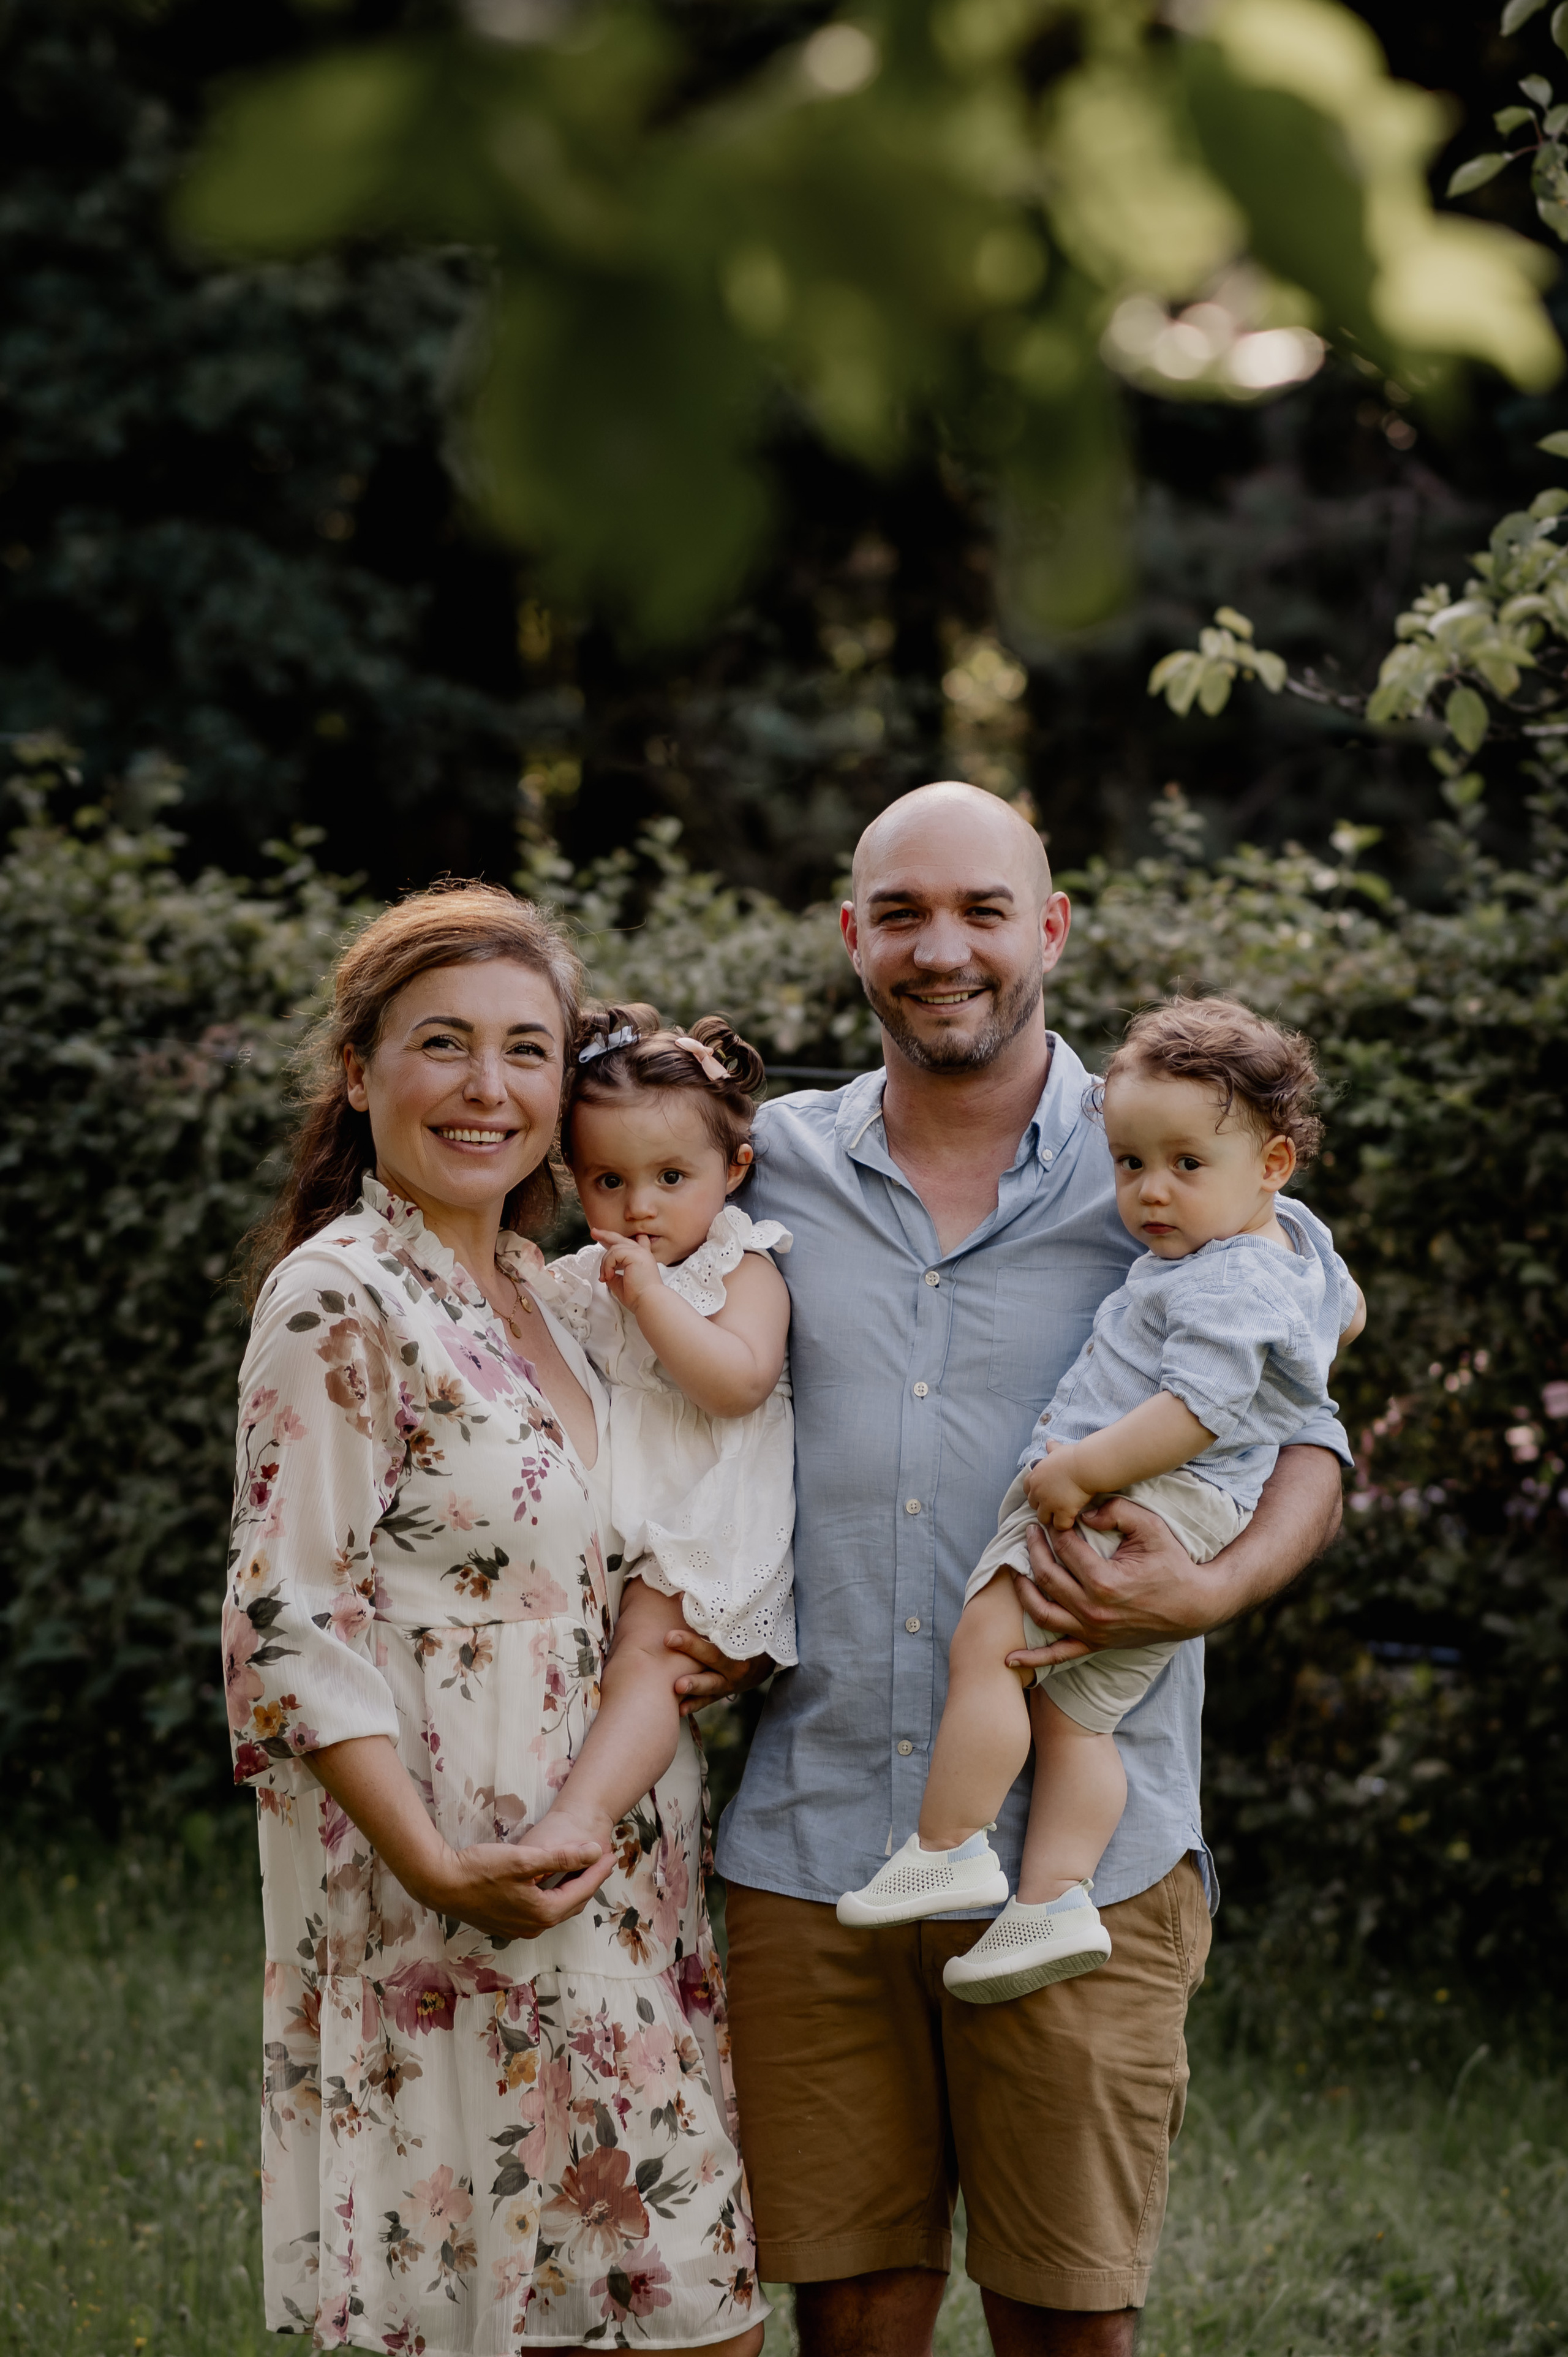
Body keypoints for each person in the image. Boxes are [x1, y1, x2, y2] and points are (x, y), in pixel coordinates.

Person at [662, 782, 1351, 2357]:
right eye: (900, 912)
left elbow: (1311, 1431)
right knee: (850, 2305)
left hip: (1083, 1859)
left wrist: (1218, 1585)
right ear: (852, 939)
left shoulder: (1171, 1161)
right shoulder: (763, 1171)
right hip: (817, 1832)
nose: (940, 947)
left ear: (1047, 927)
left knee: (1067, 2321)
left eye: (981, 909)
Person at [224, 884, 765, 2357]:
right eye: (443, 1044)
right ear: (359, 1069)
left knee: (646, 2307)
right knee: (629, 2313)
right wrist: (438, 1864)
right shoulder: (342, 1295)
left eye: (526, 1051)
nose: (487, 1088)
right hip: (448, 1866)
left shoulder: (552, 1286)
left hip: (621, 1850)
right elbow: (284, 1617)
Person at [837, 997, 1366, 2005]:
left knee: (990, 1647)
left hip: (1141, 1493)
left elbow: (1202, 1404)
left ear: (1275, 1164)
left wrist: (1080, 1472)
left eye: (1186, 1166)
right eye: (1130, 1164)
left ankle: (949, 1846)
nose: (1151, 1194)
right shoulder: (1292, 1241)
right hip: (1194, 1511)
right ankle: (1053, 1902)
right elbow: (1347, 1314)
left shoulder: (1225, 1277)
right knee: (1081, 1718)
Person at [529, 1002, 796, 1871]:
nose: (640, 1207)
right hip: (628, 1516)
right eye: (610, 1182)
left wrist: (650, 1297)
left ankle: (582, 1819)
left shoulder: (742, 1264)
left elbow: (736, 1385)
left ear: (734, 1169)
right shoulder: (593, 1277)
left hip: (711, 1511)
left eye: (671, 1179)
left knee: (647, 1662)